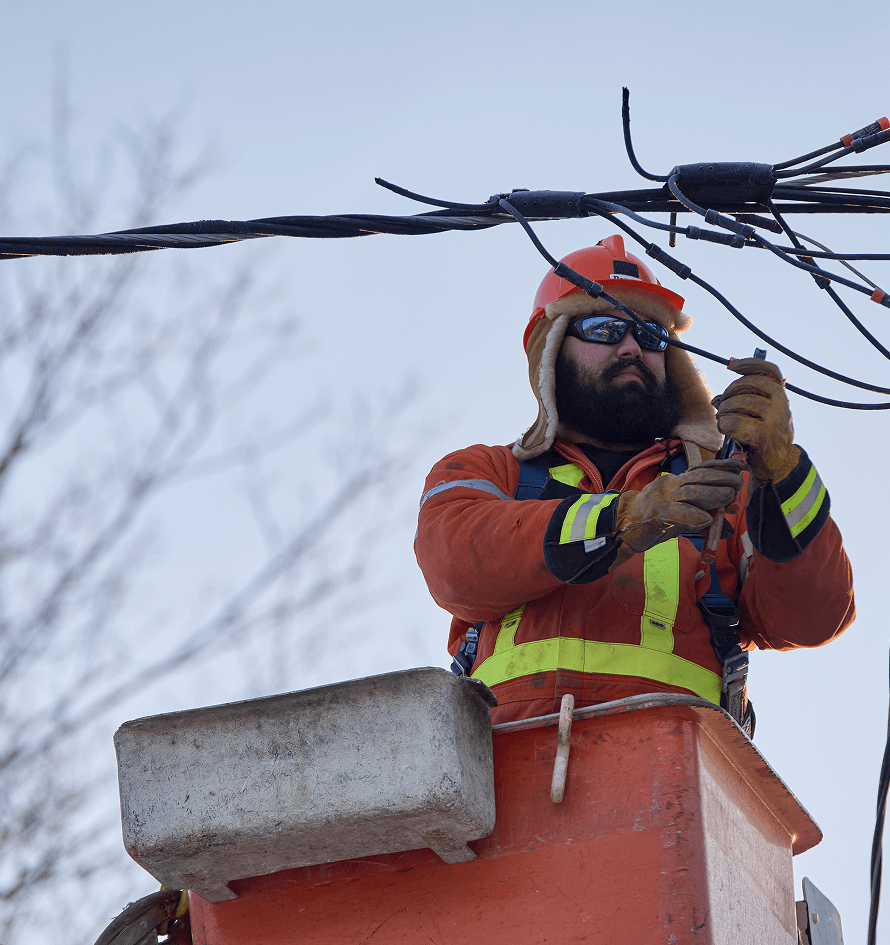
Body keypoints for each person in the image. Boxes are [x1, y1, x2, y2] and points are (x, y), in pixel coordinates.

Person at [414, 235, 855, 731]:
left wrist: (782, 473)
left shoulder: (727, 488)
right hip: (509, 776)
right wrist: (625, 519)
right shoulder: (489, 472)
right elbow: (456, 565)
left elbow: (815, 617)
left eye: (650, 335)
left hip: (675, 780)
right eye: (603, 328)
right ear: (551, 351)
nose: (630, 347)